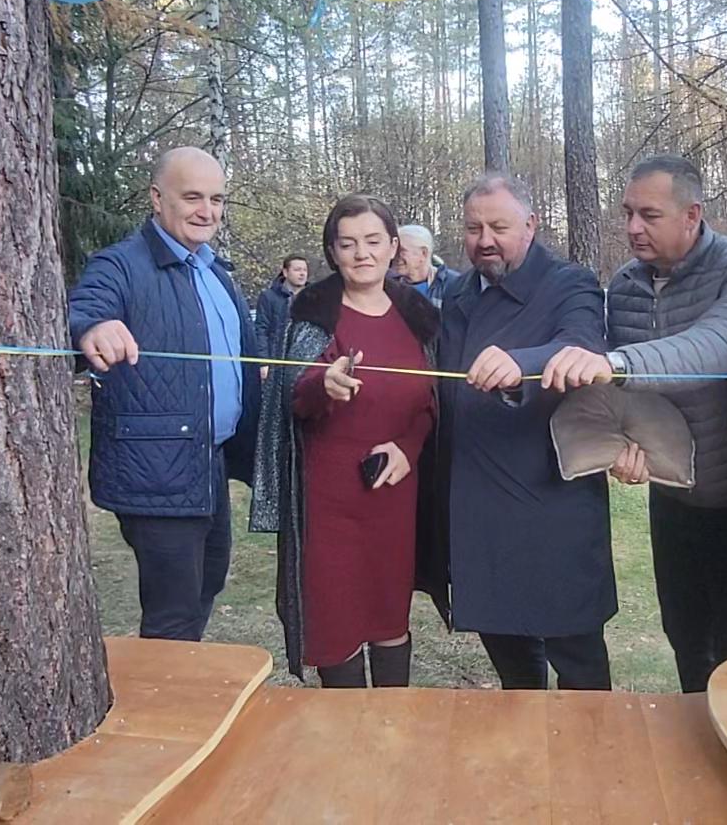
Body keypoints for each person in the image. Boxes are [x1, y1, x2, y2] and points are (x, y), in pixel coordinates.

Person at [540, 155, 727, 693]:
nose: (632, 227)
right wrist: (618, 447)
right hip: (672, 499)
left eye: (649, 215)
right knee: (686, 637)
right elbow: (616, 399)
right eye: (628, 212)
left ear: (692, 215)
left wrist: (618, 364)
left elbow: (717, 346)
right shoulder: (625, 285)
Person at [69, 147, 262, 641]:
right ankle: (166, 690)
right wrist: (92, 327)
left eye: (217, 199)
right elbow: (81, 311)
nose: (207, 211)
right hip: (154, 472)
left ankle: (182, 680)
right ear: (157, 198)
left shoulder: (215, 272)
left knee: (206, 585)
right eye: (192, 197)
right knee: (172, 614)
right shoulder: (120, 264)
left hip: (208, 463)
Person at [437, 174, 616, 690]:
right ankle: (523, 730)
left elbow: (582, 345)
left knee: (578, 660)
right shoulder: (457, 292)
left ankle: (590, 738)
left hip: (551, 501)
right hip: (477, 505)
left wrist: (524, 363)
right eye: (473, 228)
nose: (484, 240)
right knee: (510, 659)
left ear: (531, 225)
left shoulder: (569, 282)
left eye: (499, 227)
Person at [251, 196, 439, 687]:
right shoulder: (312, 316)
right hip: (329, 501)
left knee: (389, 615)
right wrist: (324, 385)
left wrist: (408, 448)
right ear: (332, 252)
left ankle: (393, 722)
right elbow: (293, 398)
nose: (362, 253)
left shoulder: (418, 317)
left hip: (394, 497)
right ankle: (345, 723)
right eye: (348, 243)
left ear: (393, 247)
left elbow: (430, 404)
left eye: (373, 241)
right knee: (336, 621)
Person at [254, 255, 309, 363]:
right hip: (276, 360)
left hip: (306, 361)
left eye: (305, 270)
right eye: (297, 270)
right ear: (285, 272)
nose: (302, 274)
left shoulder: (316, 297)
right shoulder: (269, 297)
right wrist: (263, 362)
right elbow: (261, 330)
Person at [394, 224, 459, 307]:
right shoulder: (388, 286)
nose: (394, 255)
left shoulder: (454, 285)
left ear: (423, 253)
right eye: (394, 250)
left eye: (401, 250)